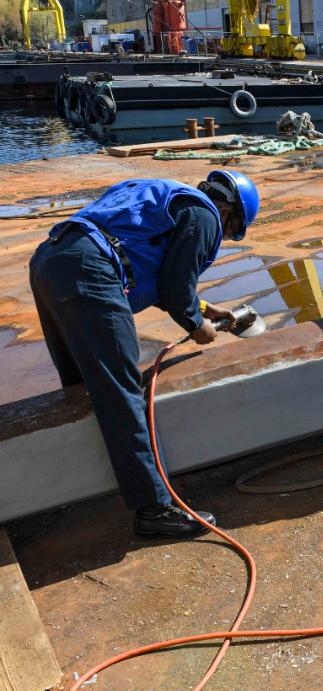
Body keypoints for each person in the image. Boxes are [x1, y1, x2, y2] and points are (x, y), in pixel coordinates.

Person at [28, 171, 260, 539]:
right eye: (232, 231)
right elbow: (174, 287)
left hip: (51, 260)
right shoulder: (205, 216)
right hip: (91, 271)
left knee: (83, 383)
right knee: (122, 393)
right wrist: (198, 326)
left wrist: (200, 307)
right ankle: (155, 508)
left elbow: (151, 267)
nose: (224, 236)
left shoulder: (165, 196)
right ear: (230, 212)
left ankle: (80, 480)